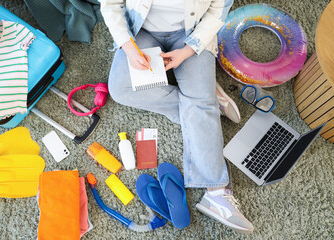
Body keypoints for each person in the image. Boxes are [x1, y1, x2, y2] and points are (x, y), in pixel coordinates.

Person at [100, 0, 253, 233]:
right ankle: (204, 101)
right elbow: (111, 4)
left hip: (191, 33)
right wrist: (128, 47)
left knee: (200, 105)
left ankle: (216, 194)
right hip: (141, 31)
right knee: (121, 89)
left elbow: (217, 11)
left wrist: (188, 50)